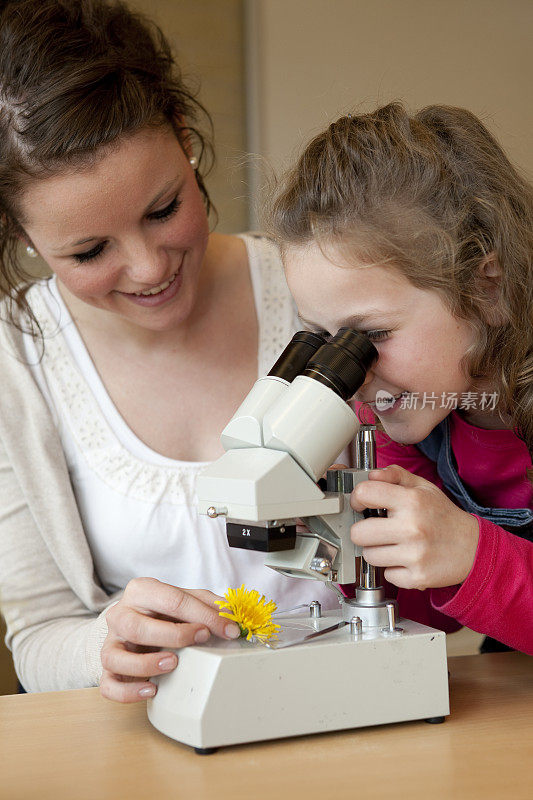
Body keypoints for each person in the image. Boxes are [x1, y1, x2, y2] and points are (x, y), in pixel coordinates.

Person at [0, 0, 338, 702]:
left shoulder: (323, 286)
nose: (150, 267)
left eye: (163, 210)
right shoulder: (16, 361)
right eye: (90, 250)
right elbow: (38, 635)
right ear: (23, 237)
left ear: (185, 138)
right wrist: (109, 644)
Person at [267, 102, 533, 655]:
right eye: (322, 336)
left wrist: (474, 553)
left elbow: (472, 568)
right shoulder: (405, 414)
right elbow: (427, 610)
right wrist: (346, 540)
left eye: (373, 335)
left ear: (490, 288)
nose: (354, 374)